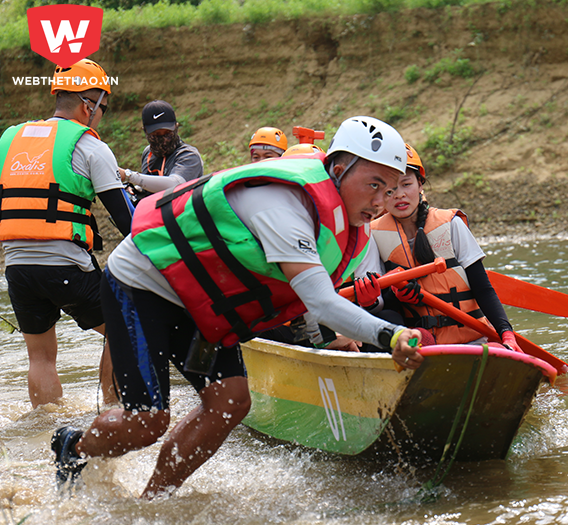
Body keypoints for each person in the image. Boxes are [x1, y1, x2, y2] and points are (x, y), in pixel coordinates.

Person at [51, 116, 424, 498]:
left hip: (202, 301)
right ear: (340, 170)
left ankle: (153, 502)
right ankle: (73, 447)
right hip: (143, 280)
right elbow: (320, 300)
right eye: (374, 185)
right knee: (147, 420)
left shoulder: (348, 227)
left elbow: (303, 298)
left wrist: (325, 341)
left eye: (390, 188)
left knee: (230, 401)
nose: (381, 202)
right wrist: (391, 334)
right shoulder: (283, 205)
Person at [0, 58, 133, 408]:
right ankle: (113, 416)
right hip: (65, 266)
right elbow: (127, 221)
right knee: (125, 330)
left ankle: (44, 429)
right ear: (88, 104)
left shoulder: (9, 140)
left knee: (40, 358)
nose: (101, 114)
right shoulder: (90, 147)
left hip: (16, 268)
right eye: (102, 107)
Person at [353, 143, 518, 349]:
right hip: (416, 342)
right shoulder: (372, 234)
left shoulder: (451, 224)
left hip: (472, 339)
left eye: (406, 184)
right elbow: (380, 307)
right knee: (384, 318)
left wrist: (506, 333)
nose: (399, 195)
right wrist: (375, 300)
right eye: (389, 189)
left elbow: (482, 288)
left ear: (420, 184)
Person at [120, 100, 203, 204]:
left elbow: (175, 185)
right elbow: (149, 188)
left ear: (176, 127)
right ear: (145, 131)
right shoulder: (148, 153)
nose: (164, 139)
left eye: (168, 132)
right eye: (156, 134)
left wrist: (129, 176)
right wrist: (133, 189)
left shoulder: (189, 155)